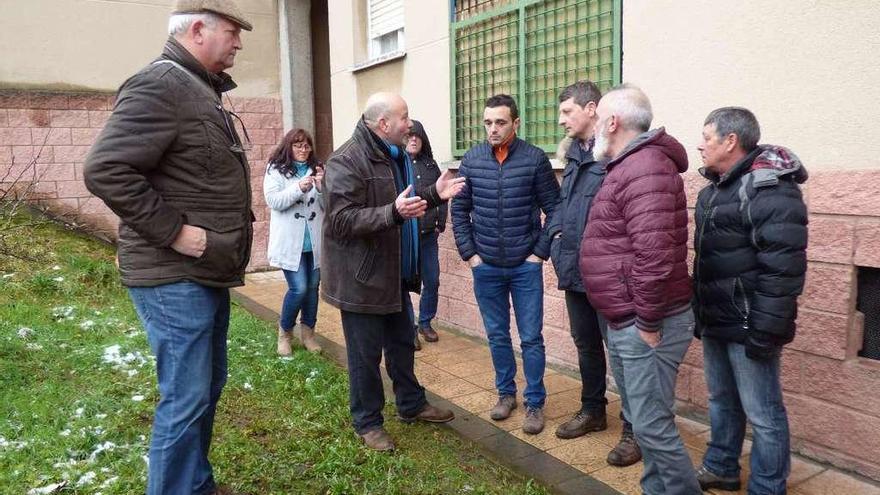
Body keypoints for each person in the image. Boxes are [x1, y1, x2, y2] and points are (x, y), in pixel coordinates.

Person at [83, 2, 253, 493]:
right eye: (232, 32)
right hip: (172, 272)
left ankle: (194, 484)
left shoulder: (196, 88)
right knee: (186, 396)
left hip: (203, 271)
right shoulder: (160, 83)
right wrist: (175, 231)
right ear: (197, 30)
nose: (239, 43)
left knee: (204, 388)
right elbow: (105, 170)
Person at [321, 92, 465, 451]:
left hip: (393, 275)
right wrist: (393, 214)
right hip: (362, 279)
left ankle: (411, 404)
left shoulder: (393, 155)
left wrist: (433, 193)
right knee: (365, 356)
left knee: (402, 343)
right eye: (404, 117)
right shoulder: (347, 160)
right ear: (383, 124)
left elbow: (403, 203)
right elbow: (339, 220)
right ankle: (368, 423)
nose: (409, 123)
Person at [578, 84, 700, 494]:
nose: (593, 128)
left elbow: (656, 255)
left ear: (612, 122)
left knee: (651, 424)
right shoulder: (632, 165)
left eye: (597, 120)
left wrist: (647, 321)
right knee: (646, 420)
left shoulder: (644, 167)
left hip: (647, 321)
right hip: (631, 317)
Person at [692, 107, 807, 494]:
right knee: (721, 401)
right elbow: (708, 262)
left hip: (749, 324)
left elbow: (783, 270)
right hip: (717, 319)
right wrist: (702, 316)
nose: (700, 145)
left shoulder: (769, 189)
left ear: (730, 141)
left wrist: (766, 330)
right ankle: (722, 466)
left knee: (764, 413)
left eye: (706, 137)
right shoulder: (713, 191)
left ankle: (768, 486)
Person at [451, 94, 560, 435]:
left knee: (531, 338)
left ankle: (535, 403)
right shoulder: (471, 160)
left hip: (524, 266)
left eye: (500, 122)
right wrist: (470, 255)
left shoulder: (535, 159)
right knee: (497, 335)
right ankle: (505, 394)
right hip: (486, 267)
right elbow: (458, 210)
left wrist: (538, 254)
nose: (493, 129)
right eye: (487, 122)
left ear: (515, 123)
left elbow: (555, 210)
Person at [548, 81, 641, 466]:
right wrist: (554, 238)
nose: (561, 120)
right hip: (574, 268)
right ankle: (593, 410)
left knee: (623, 353)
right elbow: (563, 205)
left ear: (591, 109)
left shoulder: (614, 153)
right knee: (586, 344)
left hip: (609, 275)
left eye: (567, 112)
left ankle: (635, 429)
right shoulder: (572, 154)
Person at [264, 128, 324, 355]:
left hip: (314, 241)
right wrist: (298, 188)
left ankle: (308, 335)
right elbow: (273, 201)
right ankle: (285, 334)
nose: (303, 150)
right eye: (298, 145)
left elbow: (329, 205)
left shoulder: (318, 169)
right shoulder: (275, 170)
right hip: (291, 243)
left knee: (312, 288)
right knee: (298, 288)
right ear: (288, 147)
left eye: (306, 145)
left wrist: (320, 188)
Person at [402, 120, 446, 350]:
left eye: (417, 136)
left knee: (432, 280)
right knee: (405, 284)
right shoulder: (397, 164)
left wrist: (441, 222)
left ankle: (425, 323)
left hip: (429, 236)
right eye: (409, 136)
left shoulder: (431, 165)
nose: (413, 139)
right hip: (407, 238)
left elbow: (442, 194)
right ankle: (409, 330)